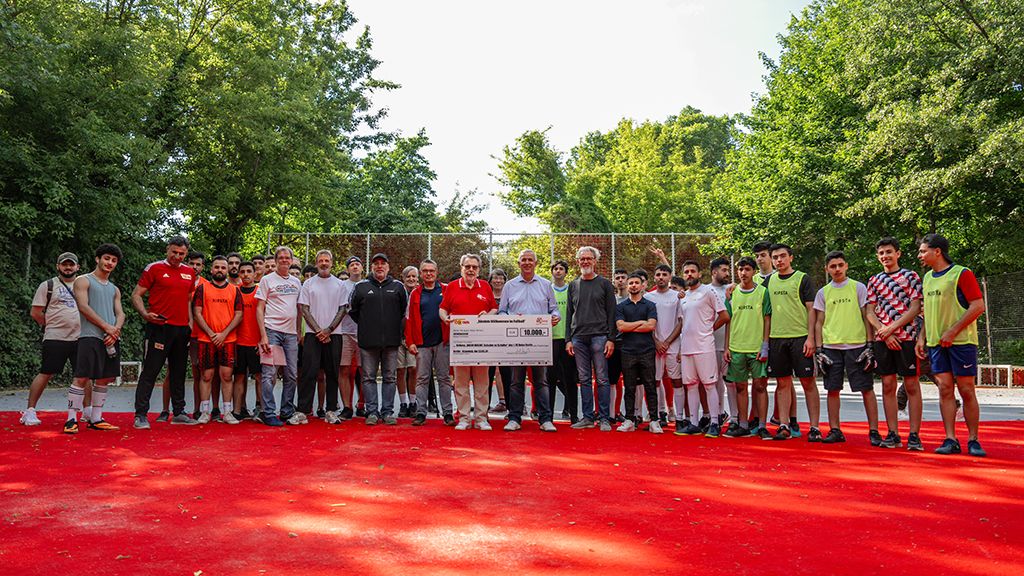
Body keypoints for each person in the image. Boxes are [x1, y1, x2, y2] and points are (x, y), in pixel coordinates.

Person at [917, 233, 986, 457]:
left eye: (923, 251)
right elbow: (927, 311)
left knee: (966, 389)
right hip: (936, 343)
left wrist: (953, 330)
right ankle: (950, 438)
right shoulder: (927, 278)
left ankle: (973, 439)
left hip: (962, 342)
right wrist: (922, 338)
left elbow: (977, 306)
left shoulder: (961, 273)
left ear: (937, 251)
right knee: (945, 389)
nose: (920, 255)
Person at [813, 251, 880, 445]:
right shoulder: (823, 292)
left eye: (840, 265)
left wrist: (870, 344)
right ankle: (835, 430)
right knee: (832, 389)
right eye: (833, 266)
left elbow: (867, 315)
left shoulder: (858, 288)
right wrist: (819, 349)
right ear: (827, 269)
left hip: (857, 345)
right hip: (831, 346)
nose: (837, 269)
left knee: (866, 389)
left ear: (846, 266)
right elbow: (819, 322)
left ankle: (874, 431)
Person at [132, 236, 197, 429]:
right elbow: (136, 294)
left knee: (178, 372)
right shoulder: (154, 268)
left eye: (181, 254)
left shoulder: (189, 272)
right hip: (159, 327)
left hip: (181, 329)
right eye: (174, 252)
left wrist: (190, 323)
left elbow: (187, 300)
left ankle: (179, 412)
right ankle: (140, 415)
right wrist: (145, 314)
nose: (177, 256)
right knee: (151, 371)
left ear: (186, 254)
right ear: (167, 249)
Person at [866, 237, 924, 450]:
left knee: (911, 385)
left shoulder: (910, 276)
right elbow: (870, 311)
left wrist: (893, 327)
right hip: (884, 340)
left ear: (898, 253)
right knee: (887, 384)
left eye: (889, 252)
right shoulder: (874, 280)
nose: (885, 256)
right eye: (881, 253)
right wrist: (884, 332)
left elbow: (916, 307)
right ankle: (892, 433)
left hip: (907, 338)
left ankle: (915, 435)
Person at [65, 244, 125, 434]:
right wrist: (106, 327)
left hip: (110, 338)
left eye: (114, 260)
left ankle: (96, 418)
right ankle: (71, 419)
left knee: (105, 378)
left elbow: (120, 313)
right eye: (107, 258)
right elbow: (83, 307)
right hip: (89, 336)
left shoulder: (115, 289)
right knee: (82, 377)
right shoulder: (84, 281)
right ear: (98, 259)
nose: (110, 263)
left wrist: (115, 330)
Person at [499, 249, 561, 431]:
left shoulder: (545, 284)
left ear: (536, 263)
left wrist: (555, 317)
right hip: (517, 340)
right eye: (523, 260)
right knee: (516, 380)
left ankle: (545, 419)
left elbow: (554, 309)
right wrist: (510, 318)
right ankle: (515, 418)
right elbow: (502, 311)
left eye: (530, 260)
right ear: (518, 264)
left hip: (539, 341)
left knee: (541, 381)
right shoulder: (509, 286)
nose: (526, 263)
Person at [763, 244, 820, 441]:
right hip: (777, 338)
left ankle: (814, 427)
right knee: (782, 382)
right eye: (775, 257)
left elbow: (812, 310)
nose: (779, 260)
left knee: (808, 382)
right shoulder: (769, 281)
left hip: (800, 337)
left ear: (791, 258)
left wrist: (811, 338)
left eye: (783, 256)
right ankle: (784, 425)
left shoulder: (802, 279)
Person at [23, 252, 85, 426]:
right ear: (58, 266)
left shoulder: (84, 285)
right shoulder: (48, 285)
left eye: (71, 264)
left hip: (80, 337)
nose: (68, 267)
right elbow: (36, 312)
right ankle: (29, 411)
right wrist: (50, 325)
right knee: (46, 372)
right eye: (64, 264)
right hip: (54, 337)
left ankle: (88, 412)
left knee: (84, 375)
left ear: (77, 267)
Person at [670, 260, 729, 438]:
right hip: (687, 348)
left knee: (710, 385)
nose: (689, 274)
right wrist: (680, 349)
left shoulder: (708, 292)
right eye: (686, 271)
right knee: (691, 386)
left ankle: (714, 422)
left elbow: (725, 316)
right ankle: (694, 423)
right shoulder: (683, 297)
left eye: (692, 271)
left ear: (699, 274)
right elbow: (683, 323)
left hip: (705, 347)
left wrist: (708, 329)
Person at [440, 253, 498, 430]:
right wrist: (445, 318)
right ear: (461, 268)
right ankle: (464, 417)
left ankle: (481, 418)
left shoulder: (485, 286)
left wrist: (487, 315)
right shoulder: (452, 287)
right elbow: (442, 309)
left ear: (479, 270)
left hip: (482, 343)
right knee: (461, 382)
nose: (470, 270)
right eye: (467, 266)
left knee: (482, 383)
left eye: (474, 267)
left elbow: (495, 309)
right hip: (460, 343)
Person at [349, 253, 407, 426]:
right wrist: (368, 326)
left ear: (388, 267)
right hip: (368, 342)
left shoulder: (398, 287)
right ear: (371, 267)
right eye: (376, 264)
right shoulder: (361, 287)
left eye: (383, 263)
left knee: (390, 377)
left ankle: (388, 412)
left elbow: (403, 311)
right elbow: (353, 311)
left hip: (391, 342)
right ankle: (372, 412)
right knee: (368, 377)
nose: (379, 266)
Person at [566, 246, 617, 431]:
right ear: (578, 261)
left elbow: (612, 313)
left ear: (595, 261)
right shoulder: (573, 285)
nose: (585, 261)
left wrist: (611, 338)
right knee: (584, 379)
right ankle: (587, 417)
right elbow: (569, 313)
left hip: (600, 337)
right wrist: (568, 339)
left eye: (589, 258)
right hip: (578, 338)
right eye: (582, 258)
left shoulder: (604, 284)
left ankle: (604, 418)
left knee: (602, 379)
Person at [297, 250, 347, 424]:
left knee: (332, 373)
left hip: (335, 335)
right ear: (316, 263)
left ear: (332, 263)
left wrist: (329, 330)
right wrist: (319, 330)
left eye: (327, 260)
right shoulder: (308, 283)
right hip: (312, 335)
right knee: (308, 373)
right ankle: (303, 410)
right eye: (321, 260)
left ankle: (331, 410)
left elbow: (343, 309)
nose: (324, 263)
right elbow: (304, 309)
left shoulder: (340, 284)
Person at [192, 255, 243, 424]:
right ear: (211, 269)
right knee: (206, 375)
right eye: (217, 267)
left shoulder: (235, 290)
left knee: (227, 376)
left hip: (227, 340)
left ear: (227, 270)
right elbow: (197, 312)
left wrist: (223, 334)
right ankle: (205, 412)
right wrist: (211, 333)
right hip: (206, 339)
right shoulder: (202, 289)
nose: (220, 270)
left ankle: (227, 412)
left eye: (223, 267)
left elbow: (239, 314)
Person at [256, 246, 303, 427]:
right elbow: (259, 309)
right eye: (280, 257)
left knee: (292, 374)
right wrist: (263, 336)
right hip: (272, 331)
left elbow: (299, 309)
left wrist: (299, 330)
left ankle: (286, 411)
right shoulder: (267, 280)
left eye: (287, 257)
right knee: (269, 374)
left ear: (291, 260)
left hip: (291, 334)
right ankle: (268, 413)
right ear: (276, 260)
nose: (284, 260)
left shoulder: (296, 282)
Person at [723, 257, 770, 439]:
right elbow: (729, 321)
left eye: (748, 269)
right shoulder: (733, 294)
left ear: (754, 271)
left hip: (756, 347)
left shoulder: (762, 292)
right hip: (736, 348)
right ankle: (742, 424)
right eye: (741, 269)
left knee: (760, 386)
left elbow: (767, 319)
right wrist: (727, 347)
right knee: (740, 387)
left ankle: (762, 425)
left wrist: (765, 345)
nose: (744, 273)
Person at [406, 259, 455, 426]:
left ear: (436, 272)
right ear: (421, 273)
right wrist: (410, 341)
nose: (428, 273)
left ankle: (448, 413)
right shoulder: (415, 294)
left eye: (431, 271)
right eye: (425, 271)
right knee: (421, 379)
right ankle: (420, 412)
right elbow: (410, 320)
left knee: (444, 379)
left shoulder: (447, 289)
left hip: (443, 342)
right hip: (422, 343)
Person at [616, 273, 662, 434]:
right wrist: (640, 322)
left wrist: (632, 326)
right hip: (627, 351)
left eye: (637, 283)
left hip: (647, 351)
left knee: (650, 386)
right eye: (631, 283)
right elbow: (621, 327)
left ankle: (654, 420)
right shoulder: (621, 307)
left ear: (643, 286)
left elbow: (651, 326)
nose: (634, 285)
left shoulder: (650, 305)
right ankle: (629, 419)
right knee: (629, 387)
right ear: (627, 286)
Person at [644, 264, 680, 426]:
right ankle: (659, 414)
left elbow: (681, 322)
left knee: (676, 381)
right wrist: (657, 341)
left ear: (670, 277)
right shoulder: (648, 297)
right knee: (655, 381)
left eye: (664, 274)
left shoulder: (678, 296)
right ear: (654, 277)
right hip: (654, 345)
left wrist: (667, 341)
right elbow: (646, 322)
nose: (661, 277)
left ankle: (680, 416)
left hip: (673, 344)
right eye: (658, 274)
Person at [548, 260, 578, 423]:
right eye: (556, 269)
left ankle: (573, 415)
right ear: (552, 272)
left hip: (568, 340)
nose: (558, 271)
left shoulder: (572, 289)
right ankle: (548, 415)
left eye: (561, 269)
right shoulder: (547, 289)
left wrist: (572, 337)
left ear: (566, 272)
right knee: (550, 379)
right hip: (550, 339)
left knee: (570, 379)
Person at [232, 261, 262, 420]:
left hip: (256, 342)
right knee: (239, 377)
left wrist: (263, 339)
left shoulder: (260, 292)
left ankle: (261, 410)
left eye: (248, 271)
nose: (245, 274)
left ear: (255, 273)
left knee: (259, 377)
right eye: (242, 271)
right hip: (238, 342)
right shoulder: (234, 292)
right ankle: (237, 411)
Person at [709, 257, 733, 425]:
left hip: (730, 344)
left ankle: (737, 418)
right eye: (724, 270)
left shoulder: (733, 290)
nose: (727, 273)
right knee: (714, 381)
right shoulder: (704, 290)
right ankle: (718, 414)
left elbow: (730, 317)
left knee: (731, 382)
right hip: (710, 344)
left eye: (728, 270)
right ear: (714, 272)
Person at [338, 256, 363, 419]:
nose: (355, 267)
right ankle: (346, 406)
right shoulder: (341, 286)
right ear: (347, 269)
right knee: (344, 368)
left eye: (357, 264)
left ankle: (363, 404)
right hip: (344, 332)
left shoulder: (368, 285)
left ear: (362, 268)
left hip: (364, 333)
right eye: (351, 265)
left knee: (365, 371)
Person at [397, 265, 420, 417]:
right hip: (398, 338)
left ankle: (413, 402)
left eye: (414, 276)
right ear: (403, 278)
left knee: (413, 369)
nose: (411, 279)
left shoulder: (420, 293)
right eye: (408, 277)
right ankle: (403, 403)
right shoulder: (398, 292)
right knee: (400, 370)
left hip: (414, 338)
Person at [487, 268, 511, 413]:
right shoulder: (486, 296)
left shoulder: (509, 296)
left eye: (501, 278)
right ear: (490, 281)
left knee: (507, 374)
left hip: (506, 340)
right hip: (488, 340)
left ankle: (511, 407)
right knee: (487, 376)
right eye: (495, 278)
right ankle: (484, 409)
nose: (498, 281)